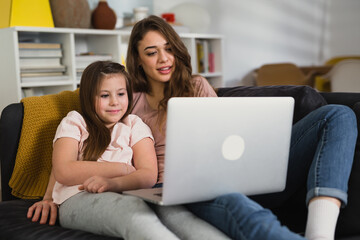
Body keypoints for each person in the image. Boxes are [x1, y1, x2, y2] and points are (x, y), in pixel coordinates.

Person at [28, 15, 358, 240]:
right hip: (185, 191)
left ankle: (320, 233)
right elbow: (84, 132)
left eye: (168, 48)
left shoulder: (198, 86)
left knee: (338, 115)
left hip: (240, 176)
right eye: (151, 52)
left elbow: (227, 140)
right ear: (138, 60)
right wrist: (50, 197)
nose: (163, 58)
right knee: (237, 206)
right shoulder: (132, 103)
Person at [40, 60, 184, 239]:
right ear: (87, 96)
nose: (115, 102)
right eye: (104, 95)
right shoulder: (75, 121)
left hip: (126, 191)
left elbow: (148, 175)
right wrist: (121, 169)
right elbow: (63, 170)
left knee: (178, 216)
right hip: (77, 198)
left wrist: (114, 183)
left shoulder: (134, 124)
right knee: (134, 212)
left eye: (121, 93)